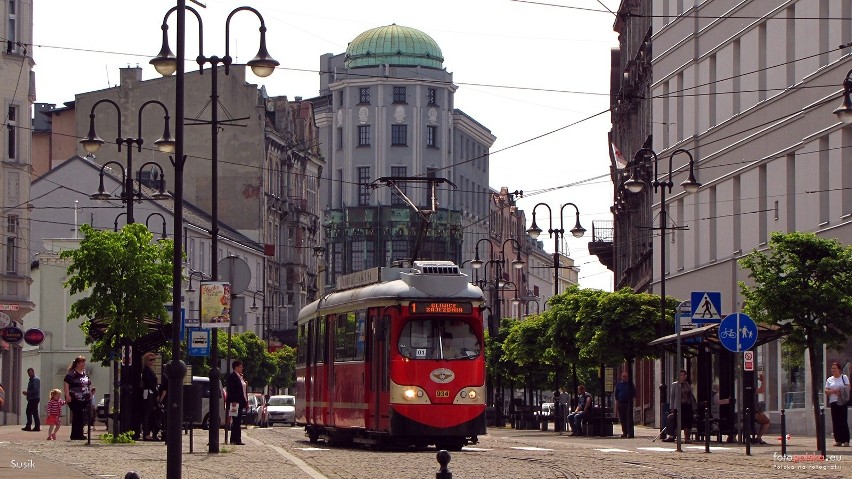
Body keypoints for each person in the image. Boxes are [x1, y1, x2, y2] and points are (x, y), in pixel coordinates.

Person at [63, 355, 92, 440]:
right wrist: (67, 395)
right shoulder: (72, 373)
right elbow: (66, 383)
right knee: (77, 415)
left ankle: (79, 433)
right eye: (81, 362)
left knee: (82, 416)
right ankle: (76, 435)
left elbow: (88, 384)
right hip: (74, 398)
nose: (83, 364)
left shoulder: (85, 373)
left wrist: (90, 393)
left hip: (84, 398)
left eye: (84, 362)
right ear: (77, 364)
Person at [665, 370, 696, 443]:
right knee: (678, 422)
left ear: (686, 376)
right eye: (681, 375)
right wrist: (672, 408)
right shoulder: (675, 384)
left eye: (683, 375)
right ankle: (677, 438)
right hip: (678, 406)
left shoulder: (687, 384)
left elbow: (690, 396)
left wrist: (694, 406)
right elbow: (672, 397)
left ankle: (687, 438)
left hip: (687, 405)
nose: (682, 377)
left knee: (687, 422)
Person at [825, 361, 850, 447]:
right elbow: (826, 391)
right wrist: (833, 391)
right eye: (832, 368)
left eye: (835, 368)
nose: (833, 370)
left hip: (842, 401)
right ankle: (838, 440)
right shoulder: (829, 379)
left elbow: (848, 387)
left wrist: (841, 390)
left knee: (843, 420)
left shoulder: (844, 377)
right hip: (833, 401)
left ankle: (846, 440)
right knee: (835, 421)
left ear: (839, 369)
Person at [226, 360, 248, 445]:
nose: (242, 368)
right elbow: (231, 390)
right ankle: (236, 439)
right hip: (235, 402)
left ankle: (234, 439)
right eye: (241, 366)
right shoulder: (233, 376)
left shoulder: (240, 376)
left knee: (237, 421)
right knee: (236, 421)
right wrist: (233, 401)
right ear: (236, 367)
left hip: (241, 401)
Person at [141, 353, 159, 440]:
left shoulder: (149, 370)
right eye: (150, 360)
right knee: (147, 413)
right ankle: (146, 433)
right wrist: (156, 393)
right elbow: (150, 383)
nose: (152, 362)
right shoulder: (146, 370)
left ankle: (150, 432)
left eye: (153, 360)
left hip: (150, 392)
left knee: (150, 413)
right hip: (148, 392)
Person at [614, 371, 636, 438]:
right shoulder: (618, 384)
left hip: (628, 403)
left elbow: (634, 393)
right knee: (622, 419)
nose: (625, 378)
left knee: (629, 418)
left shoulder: (630, 384)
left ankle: (630, 432)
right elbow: (616, 395)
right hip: (621, 403)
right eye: (623, 376)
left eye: (626, 376)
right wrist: (617, 405)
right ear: (621, 377)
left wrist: (633, 402)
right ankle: (624, 432)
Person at [752, 372, 770, 445]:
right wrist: (763, 380)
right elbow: (762, 390)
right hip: (751, 413)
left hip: (738, 412)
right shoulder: (750, 387)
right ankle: (758, 438)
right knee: (766, 421)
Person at [22, 367, 41, 432]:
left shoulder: (35, 380)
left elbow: (35, 390)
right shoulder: (31, 379)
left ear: (33, 372)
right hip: (31, 398)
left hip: (34, 398)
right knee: (29, 412)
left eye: (30, 372)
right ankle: (29, 426)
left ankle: (36, 427)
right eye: (28, 373)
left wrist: (28, 393)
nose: (29, 374)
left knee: (34, 412)